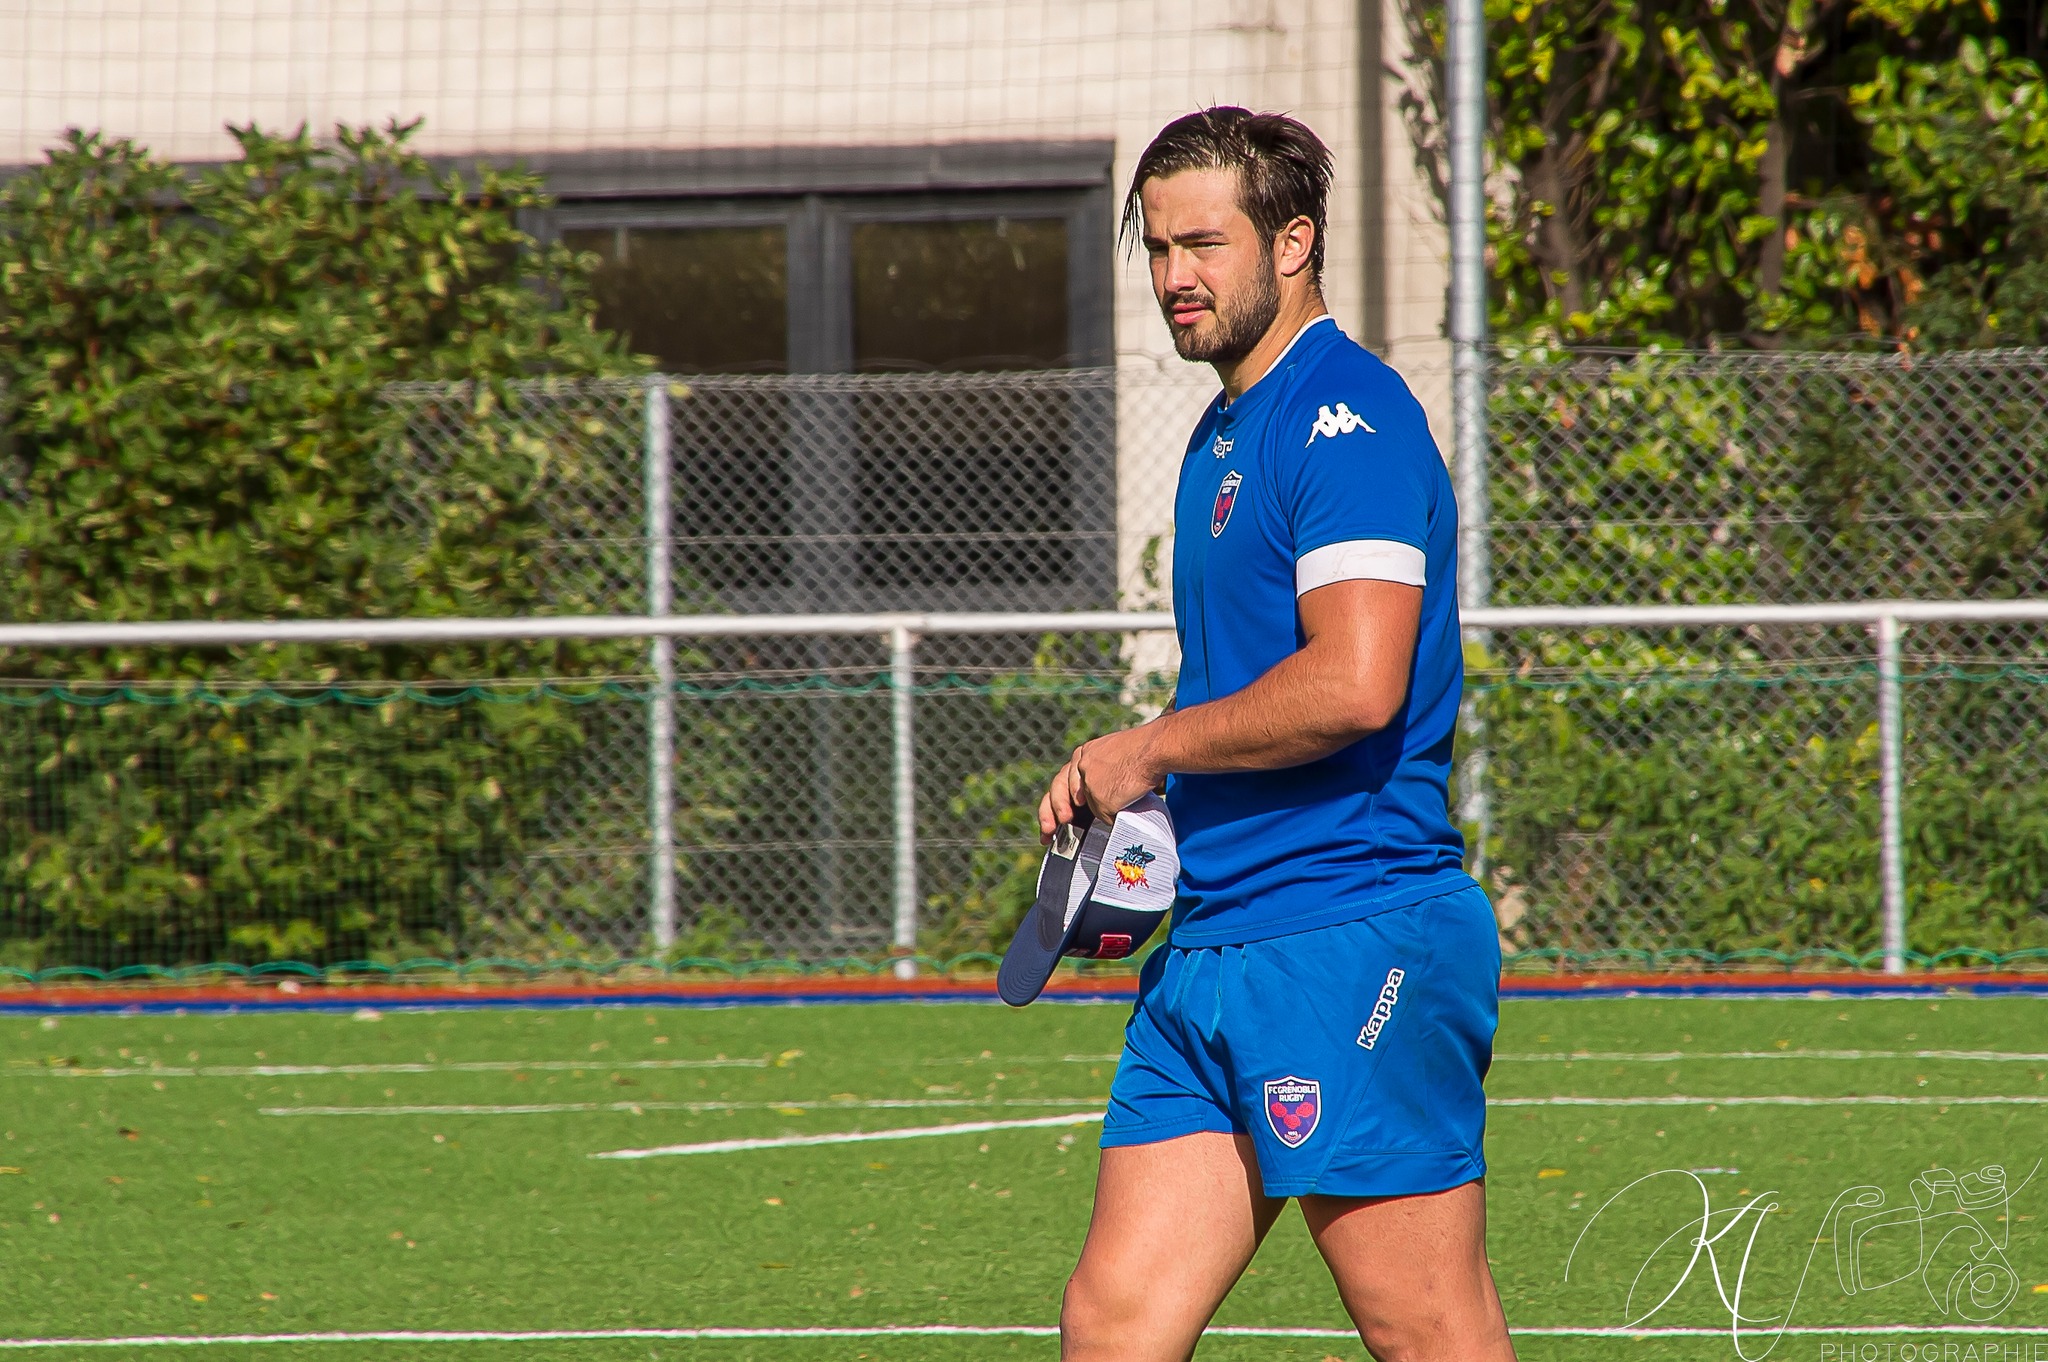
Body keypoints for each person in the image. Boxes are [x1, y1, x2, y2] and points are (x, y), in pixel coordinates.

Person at [1036, 107, 1516, 1362]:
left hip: (1347, 932)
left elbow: (1355, 685)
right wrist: (1144, 815)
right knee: (1115, 1317)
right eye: (1154, 246)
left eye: (1202, 242)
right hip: (1212, 949)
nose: (1171, 275)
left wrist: (1146, 750)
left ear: (1292, 240)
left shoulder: (1345, 417)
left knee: (1424, 1331)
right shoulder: (1224, 428)